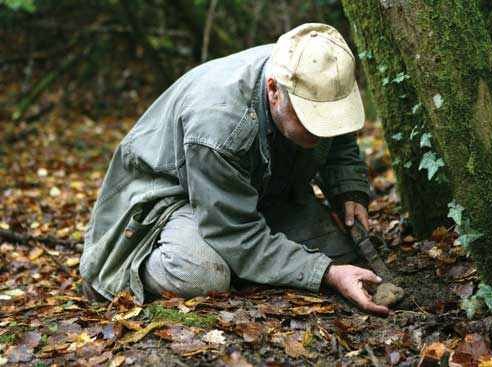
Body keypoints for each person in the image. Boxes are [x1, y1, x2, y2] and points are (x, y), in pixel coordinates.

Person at [80, 23, 389, 315]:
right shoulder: (217, 125)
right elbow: (235, 231)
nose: (321, 131)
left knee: (341, 250)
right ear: (273, 90)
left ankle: (247, 266)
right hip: (170, 197)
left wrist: (348, 188)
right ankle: (133, 271)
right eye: (310, 119)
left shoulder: (318, 72)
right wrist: (327, 275)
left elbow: (339, 137)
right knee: (201, 276)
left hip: (255, 187)